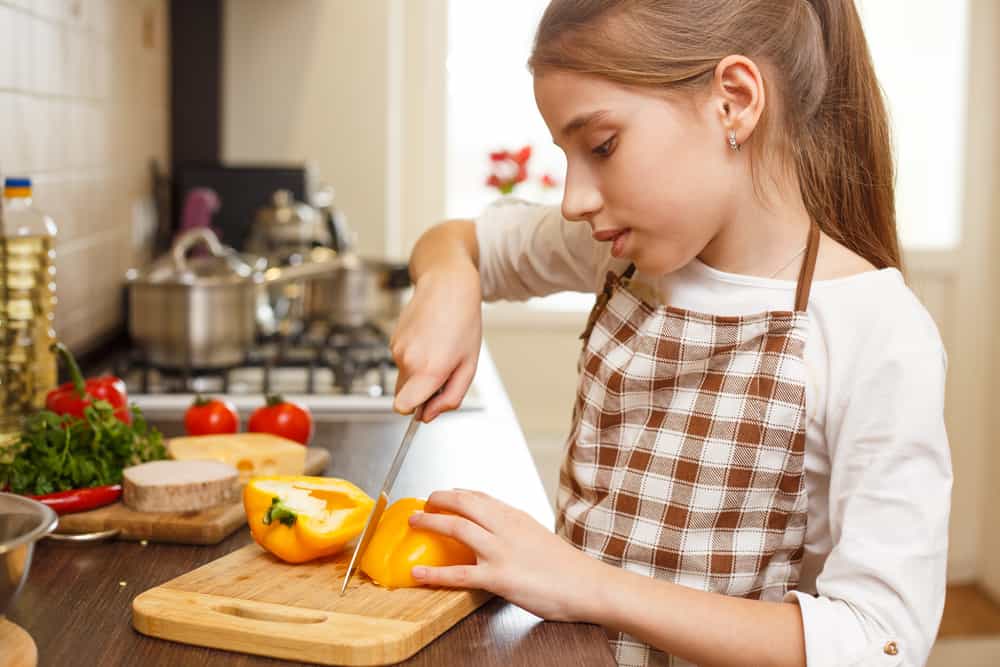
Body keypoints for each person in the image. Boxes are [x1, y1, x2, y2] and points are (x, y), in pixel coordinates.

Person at [390, 1, 951, 665]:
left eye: (601, 146)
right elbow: (461, 242)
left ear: (733, 102)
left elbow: (878, 643)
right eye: (568, 155)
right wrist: (446, 281)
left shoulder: (877, 334)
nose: (574, 199)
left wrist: (586, 586)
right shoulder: (618, 251)